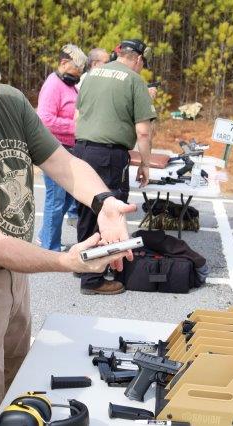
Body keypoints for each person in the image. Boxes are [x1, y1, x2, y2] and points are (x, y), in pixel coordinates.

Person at [0, 18, 136, 426]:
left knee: (19, 394)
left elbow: (62, 163)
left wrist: (103, 201)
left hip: (16, 275)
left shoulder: (11, 103)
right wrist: (66, 262)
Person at [74, 39, 157, 296]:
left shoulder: (91, 75)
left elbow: (78, 115)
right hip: (110, 156)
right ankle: (93, 279)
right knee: (110, 215)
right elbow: (143, 132)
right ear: (138, 59)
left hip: (82, 150)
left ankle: (83, 264)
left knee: (88, 212)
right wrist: (144, 164)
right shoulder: (134, 81)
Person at [36, 44, 87, 251]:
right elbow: (45, 119)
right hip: (55, 149)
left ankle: (45, 235)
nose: (78, 76)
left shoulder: (70, 86)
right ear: (63, 63)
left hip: (69, 149)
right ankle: (50, 247)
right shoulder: (53, 85)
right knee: (56, 199)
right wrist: (76, 127)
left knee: (67, 199)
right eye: (76, 71)